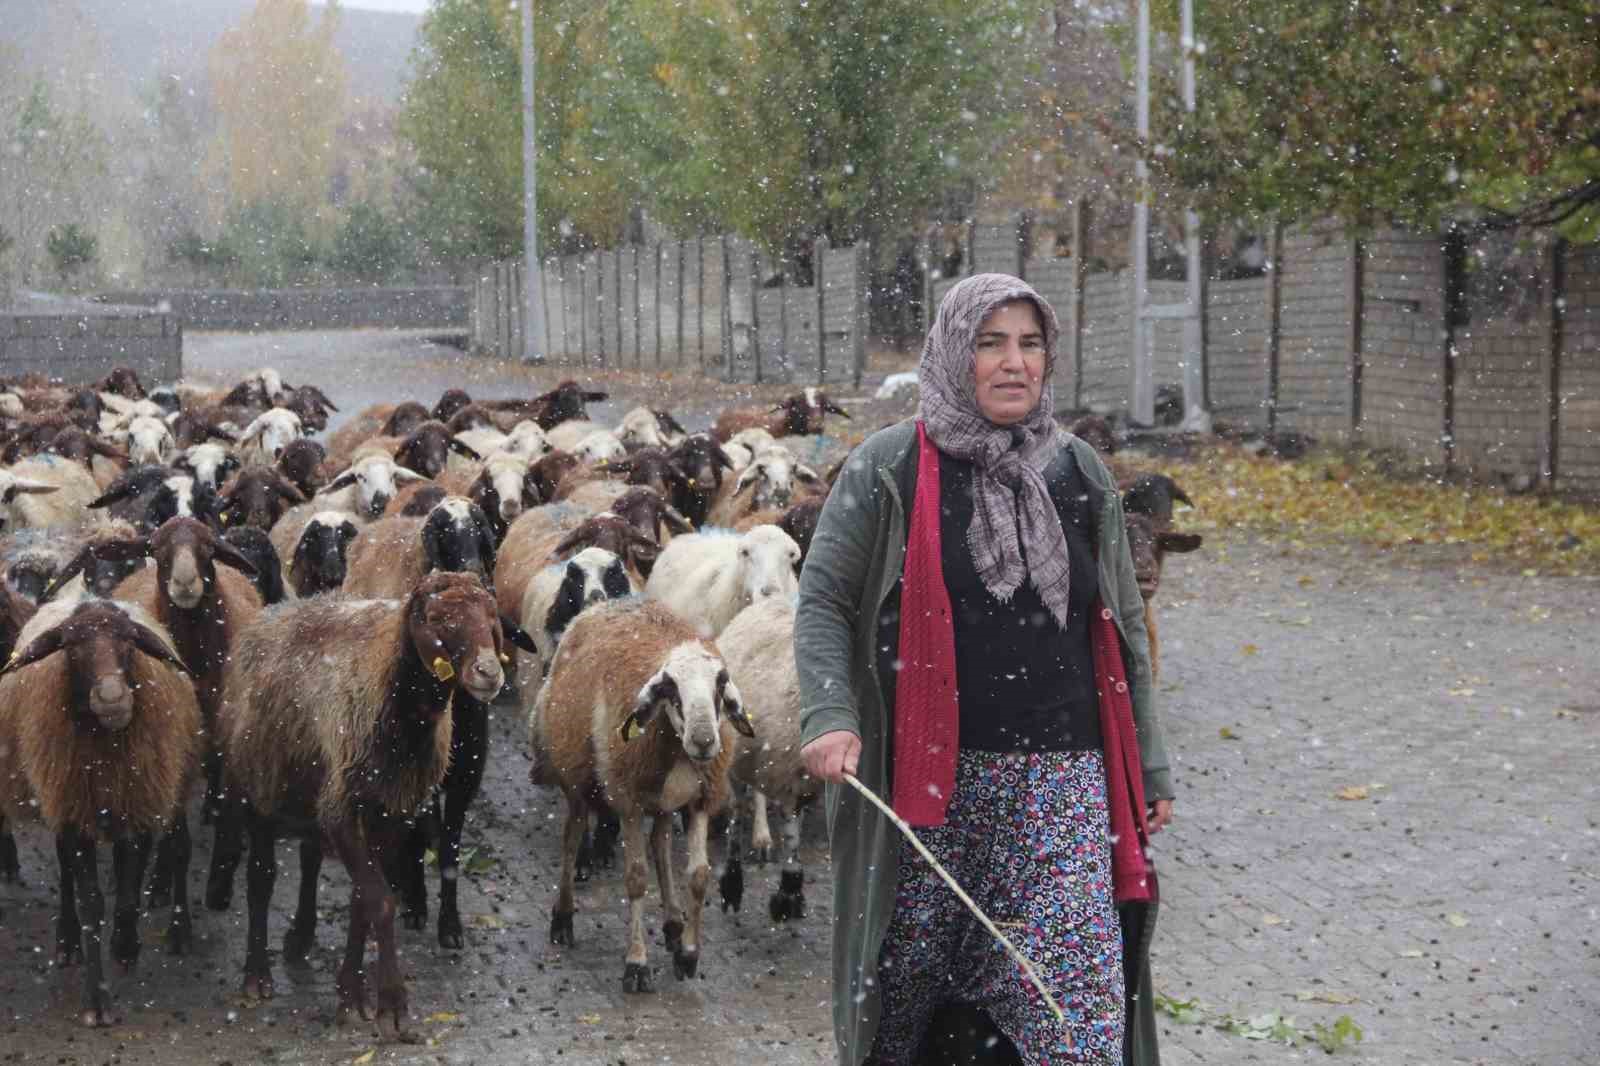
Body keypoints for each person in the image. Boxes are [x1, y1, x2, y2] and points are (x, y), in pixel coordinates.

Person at [796, 273, 1175, 1066]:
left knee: (1080, 1027)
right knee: (898, 1019)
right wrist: (830, 715)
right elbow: (825, 600)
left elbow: (1122, 628)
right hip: (926, 792)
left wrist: (1151, 764)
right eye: (990, 342)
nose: (1013, 363)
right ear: (951, 351)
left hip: (1061, 791)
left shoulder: (1080, 473)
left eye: (1030, 344)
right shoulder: (890, 468)